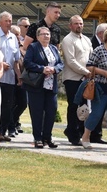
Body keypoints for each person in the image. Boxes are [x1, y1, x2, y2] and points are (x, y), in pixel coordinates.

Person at [23, 26, 64, 148]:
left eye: (48, 34)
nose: (46, 36)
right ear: (37, 36)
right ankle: (38, 138)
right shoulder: (33, 47)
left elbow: (60, 63)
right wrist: (42, 69)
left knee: (51, 111)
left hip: (51, 86)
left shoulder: (53, 48)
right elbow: (27, 62)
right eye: (43, 34)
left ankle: (48, 137)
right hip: (37, 85)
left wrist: (54, 69)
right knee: (37, 112)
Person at [60, 15, 92, 146]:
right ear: (70, 25)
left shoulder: (86, 39)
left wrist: (91, 70)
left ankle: (77, 131)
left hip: (85, 79)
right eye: (76, 24)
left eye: (81, 23)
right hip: (73, 78)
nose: (79, 26)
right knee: (74, 106)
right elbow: (71, 61)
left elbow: (90, 56)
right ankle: (73, 134)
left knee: (83, 108)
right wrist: (86, 72)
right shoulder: (68, 40)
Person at [0, 12, 21, 141]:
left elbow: (16, 60)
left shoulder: (13, 38)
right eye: (6, 21)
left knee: (7, 106)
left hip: (10, 78)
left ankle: (3, 131)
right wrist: (0, 64)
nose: (9, 23)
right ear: (0, 22)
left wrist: (19, 76)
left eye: (10, 20)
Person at [12, 18, 30, 135]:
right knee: (12, 103)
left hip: (23, 78)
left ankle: (13, 121)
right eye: (25, 26)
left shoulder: (26, 44)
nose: (27, 28)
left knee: (23, 103)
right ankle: (12, 125)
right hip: (11, 78)